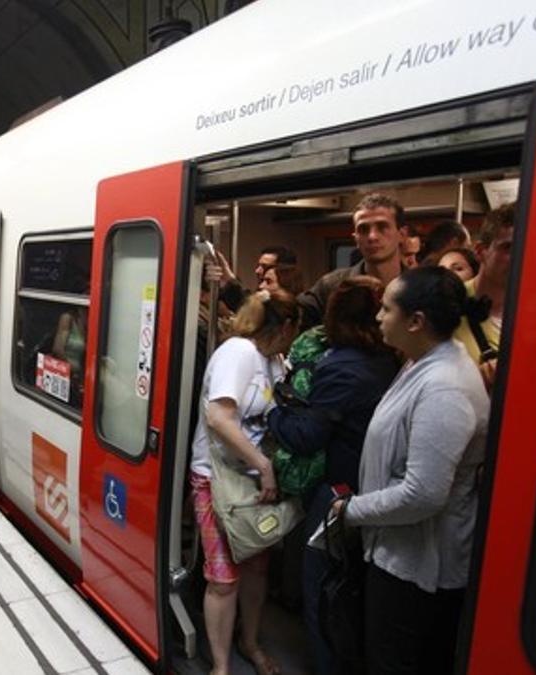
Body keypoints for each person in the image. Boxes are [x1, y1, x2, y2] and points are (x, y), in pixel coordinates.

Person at [332, 266, 489, 675]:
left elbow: (424, 493)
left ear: (416, 321)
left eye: (386, 309)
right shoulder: (422, 362)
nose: (379, 317)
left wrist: (351, 511)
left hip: (418, 569)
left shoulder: (444, 387)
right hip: (397, 553)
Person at [266, 276, 399, 675]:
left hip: (339, 495)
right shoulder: (389, 360)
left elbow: (306, 437)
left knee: (324, 592)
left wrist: (275, 407)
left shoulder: (341, 366)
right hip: (373, 485)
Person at [190, 289, 300, 675]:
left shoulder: (274, 361)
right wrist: (264, 465)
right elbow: (219, 418)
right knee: (223, 579)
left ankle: (249, 642)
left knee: (256, 569)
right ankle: (221, 666)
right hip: (217, 479)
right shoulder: (239, 353)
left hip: (254, 483)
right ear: (285, 327)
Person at [299, 193, 407, 329]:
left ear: (402, 235)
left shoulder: (418, 287)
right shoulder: (333, 286)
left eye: (382, 227)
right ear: (356, 239)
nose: (372, 237)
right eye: (363, 229)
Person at [453, 203, 515, 391]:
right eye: (508, 247)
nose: (520, 255)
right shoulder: (446, 304)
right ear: (481, 251)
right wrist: (478, 379)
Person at [217, 245, 297, 312]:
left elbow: (250, 308)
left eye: (265, 267)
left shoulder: (290, 307)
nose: (257, 271)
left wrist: (229, 278)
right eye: (258, 266)